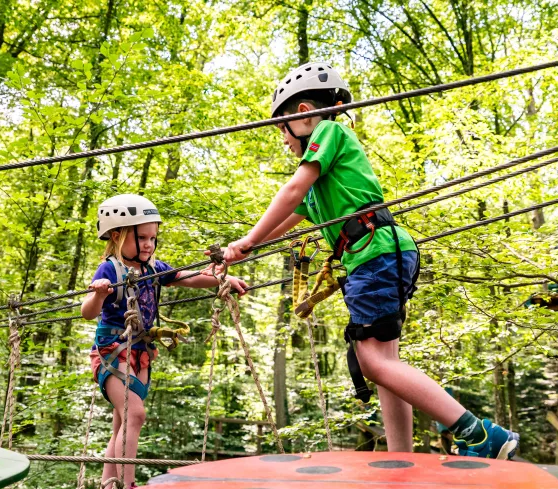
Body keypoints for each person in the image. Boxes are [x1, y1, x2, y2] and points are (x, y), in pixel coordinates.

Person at [221, 62, 518, 459]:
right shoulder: (328, 175)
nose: (282, 138)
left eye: (282, 127)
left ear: (302, 115)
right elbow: (294, 215)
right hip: (383, 253)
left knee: (374, 362)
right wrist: (249, 246)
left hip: (375, 256)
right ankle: (402, 456)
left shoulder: (328, 131)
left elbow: (292, 191)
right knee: (386, 363)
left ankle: (479, 433)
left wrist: (248, 238)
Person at [82, 194, 247, 488]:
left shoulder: (153, 268)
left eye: (153, 238)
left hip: (141, 351)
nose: (149, 244)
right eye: (142, 237)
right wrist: (99, 293)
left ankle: (109, 484)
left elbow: (189, 277)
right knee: (135, 414)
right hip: (112, 351)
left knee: (123, 422)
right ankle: (128, 484)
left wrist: (224, 280)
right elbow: (87, 312)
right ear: (118, 236)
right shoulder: (109, 270)